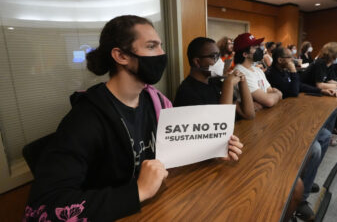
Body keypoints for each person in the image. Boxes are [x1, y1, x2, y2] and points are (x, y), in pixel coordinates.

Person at [24, 15, 244, 222]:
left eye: (160, 45)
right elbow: (42, 210)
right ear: (121, 56)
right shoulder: (85, 119)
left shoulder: (156, 101)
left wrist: (212, 149)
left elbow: (175, 152)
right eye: (151, 46)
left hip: (158, 209)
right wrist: (138, 191)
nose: (161, 54)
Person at [265, 47, 336, 220]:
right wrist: (293, 71)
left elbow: (300, 86)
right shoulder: (272, 74)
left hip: (291, 113)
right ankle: (301, 200)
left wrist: (320, 90)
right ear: (280, 59)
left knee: (325, 135)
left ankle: (306, 181)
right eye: (288, 57)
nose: (292, 60)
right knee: (316, 149)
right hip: (279, 121)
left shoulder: (283, 71)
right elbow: (293, 91)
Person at [174, 37, 255, 120]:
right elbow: (222, 125)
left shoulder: (215, 82)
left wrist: (243, 81)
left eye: (219, 56)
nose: (219, 61)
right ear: (197, 62)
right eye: (214, 56)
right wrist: (228, 84)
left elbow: (249, 114)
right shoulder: (187, 92)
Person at [232, 33, 282, 110]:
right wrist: (278, 94)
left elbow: (270, 91)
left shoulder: (257, 69)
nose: (259, 49)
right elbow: (269, 101)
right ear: (245, 54)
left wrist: (275, 95)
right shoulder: (240, 73)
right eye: (255, 47)